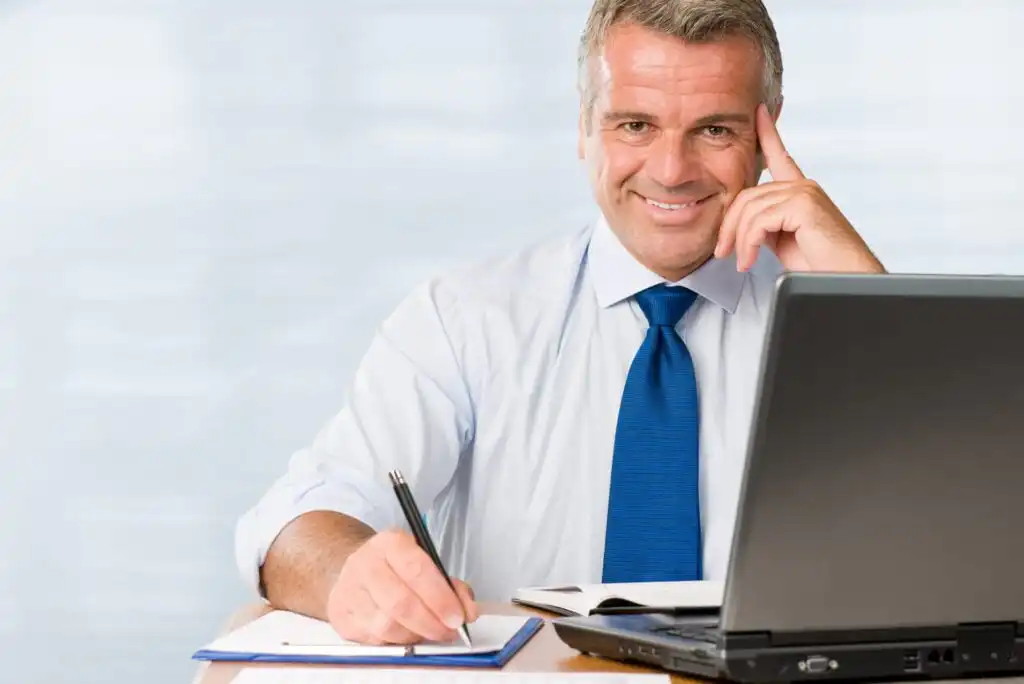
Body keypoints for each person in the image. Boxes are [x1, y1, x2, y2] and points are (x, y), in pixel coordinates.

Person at [235, 0, 884, 647]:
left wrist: (873, 307)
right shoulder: (466, 321)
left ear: (768, 137)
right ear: (584, 128)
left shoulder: (844, 322)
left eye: (714, 130)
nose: (671, 170)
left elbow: (973, 541)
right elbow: (295, 521)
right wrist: (351, 572)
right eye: (635, 125)